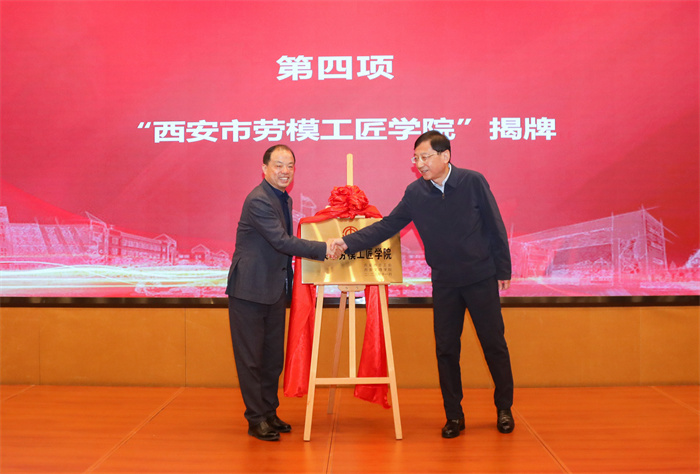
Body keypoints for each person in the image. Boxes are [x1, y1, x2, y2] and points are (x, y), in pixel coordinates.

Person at [331, 130, 515, 438]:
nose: (419, 164)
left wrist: (503, 268)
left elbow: (495, 224)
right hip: (445, 282)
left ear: (445, 156)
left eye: (425, 157)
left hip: (480, 277)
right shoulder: (416, 192)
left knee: (494, 344)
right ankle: (454, 415)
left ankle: (504, 408)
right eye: (416, 158)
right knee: (446, 349)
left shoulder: (472, 182)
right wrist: (347, 242)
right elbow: (388, 225)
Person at [226, 144, 340, 441]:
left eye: (290, 165)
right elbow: (281, 241)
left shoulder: (283, 198)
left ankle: (269, 412)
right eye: (278, 165)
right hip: (249, 289)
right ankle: (255, 419)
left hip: (274, 289)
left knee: (272, 358)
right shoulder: (258, 200)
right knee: (252, 360)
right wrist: (324, 248)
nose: (285, 171)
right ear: (264, 168)